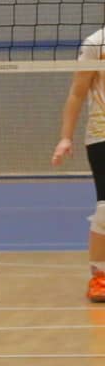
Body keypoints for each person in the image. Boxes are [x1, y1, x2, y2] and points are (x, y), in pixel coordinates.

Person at [53, 23, 105, 302]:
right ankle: (100, 277)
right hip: (102, 135)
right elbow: (77, 92)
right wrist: (65, 137)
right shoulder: (96, 43)